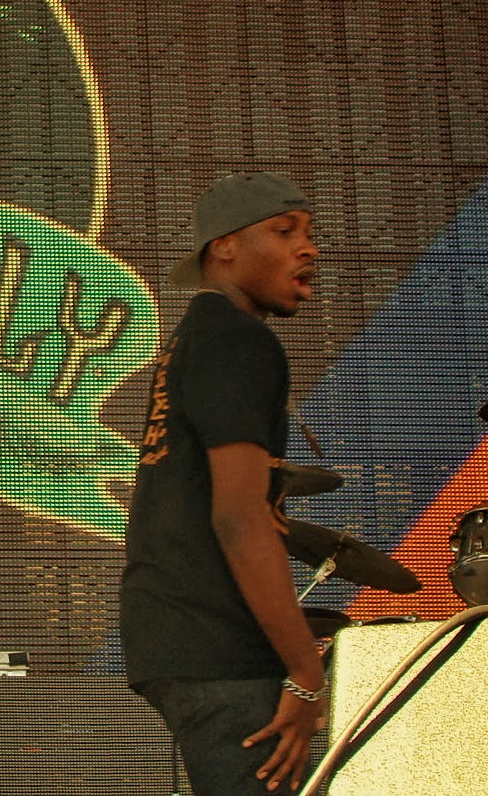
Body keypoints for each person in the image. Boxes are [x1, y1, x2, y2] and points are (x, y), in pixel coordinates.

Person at [120, 171, 328, 794]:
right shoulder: (239, 340)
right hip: (220, 646)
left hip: (181, 635)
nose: (308, 247)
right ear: (226, 247)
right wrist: (305, 674)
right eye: (284, 231)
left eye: (309, 232)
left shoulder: (196, 336)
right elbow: (236, 517)